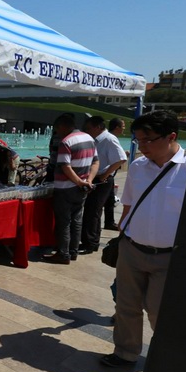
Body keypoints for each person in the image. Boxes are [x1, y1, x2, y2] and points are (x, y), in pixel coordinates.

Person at [102, 110, 186, 367]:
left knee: (159, 310)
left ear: (171, 136)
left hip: (169, 255)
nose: (142, 146)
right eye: (138, 140)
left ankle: (166, 359)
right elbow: (128, 205)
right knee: (126, 305)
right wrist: (122, 239)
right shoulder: (138, 167)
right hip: (132, 248)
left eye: (148, 140)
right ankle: (125, 352)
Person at [43, 113, 98, 264]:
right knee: (76, 220)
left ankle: (63, 254)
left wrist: (79, 182)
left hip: (65, 188)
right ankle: (73, 251)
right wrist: (88, 181)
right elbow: (95, 162)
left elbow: (65, 166)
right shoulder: (89, 138)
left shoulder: (66, 142)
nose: (57, 133)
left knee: (64, 222)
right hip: (82, 188)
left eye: (57, 130)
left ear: (62, 127)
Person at [79, 116, 127, 253]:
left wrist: (105, 174)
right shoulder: (97, 140)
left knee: (92, 211)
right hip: (96, 178)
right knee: (92, 211)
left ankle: (90, 243)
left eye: (89, 128)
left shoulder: (109, 139)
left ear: (98, 127)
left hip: (102, 179)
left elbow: (121, 158)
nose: (87, 131)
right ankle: (91, 241)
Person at [103, 118, 127, 230]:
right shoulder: (111, 139)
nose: (124, 129)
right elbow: (121, 159)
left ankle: (109, 222)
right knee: (102, 201)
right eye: (123, 126)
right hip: (106, 175)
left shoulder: (110, 138)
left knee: (110, 200)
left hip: (109, 175)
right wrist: (105, 175)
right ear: (117, 127)